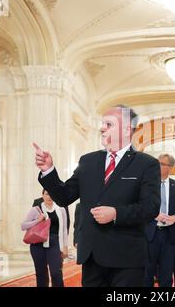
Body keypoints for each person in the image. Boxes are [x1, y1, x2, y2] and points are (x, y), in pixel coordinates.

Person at [33, 105, 160, 287]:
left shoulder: (147, 164)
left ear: (126, 129)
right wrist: (49, 171)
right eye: (102, 124)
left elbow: (150, 208)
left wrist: (116, 213)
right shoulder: (88, 160)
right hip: (92, 255)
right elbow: (64, 196)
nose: (102, 128)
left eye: (108, 124)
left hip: (126, 257)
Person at [144, 154, 175, 287]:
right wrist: (153, 214)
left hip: (170, 235)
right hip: (151, 234)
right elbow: (141, 206)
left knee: (166, 274)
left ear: (170, 167)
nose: (158, 166)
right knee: (147, 273)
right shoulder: (148, 185)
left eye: (162, 164)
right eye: (158, 163)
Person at [21, 189, 69, 287]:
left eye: (52, 194)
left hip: (55, 243)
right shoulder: (36, 209)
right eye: (47, 194)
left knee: (56, 273)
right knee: (41, 274)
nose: (49, 196)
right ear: (42, 195)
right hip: (38, 244)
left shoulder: (61, 209)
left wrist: (65, 247)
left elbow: (64, 230)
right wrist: (38, 220)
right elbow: (23, 226)